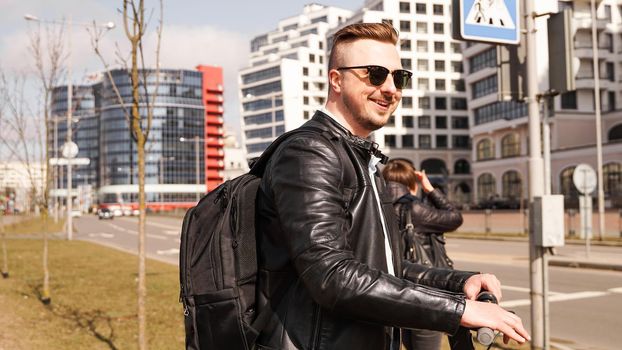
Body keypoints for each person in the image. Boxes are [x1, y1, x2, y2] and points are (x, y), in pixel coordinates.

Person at [255, 22, 529, 350]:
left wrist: (459, 283)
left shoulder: (362, 157)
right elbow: (331, 276)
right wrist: (459, 311)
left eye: (398, 77)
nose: (390, 89)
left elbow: (386, 267)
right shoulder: (309, 152)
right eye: (374, 74)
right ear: (336, 79)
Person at [383, 158, 464, 350]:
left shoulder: (378, 206)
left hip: (391, 290)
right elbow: (455, 217)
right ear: (411, 183)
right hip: (423, 292)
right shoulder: (414, 208)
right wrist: (429, 188)